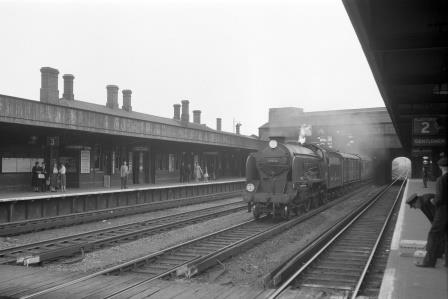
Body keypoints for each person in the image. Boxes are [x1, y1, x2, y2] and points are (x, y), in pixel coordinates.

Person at [415, 157, 447, 268]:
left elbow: (440, 199)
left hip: (443, 213)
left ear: (441, 167)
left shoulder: (441, 180)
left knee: (433, 236)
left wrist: (433, 200)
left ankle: (429, 262)